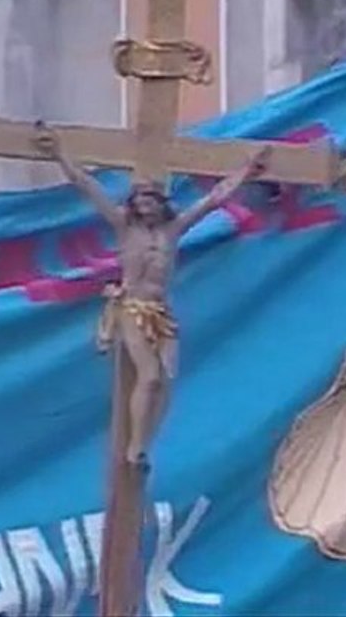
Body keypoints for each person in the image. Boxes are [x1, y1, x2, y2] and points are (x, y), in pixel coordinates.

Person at [33, 130, 270, 468]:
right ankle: (135, 448)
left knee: (165, 383)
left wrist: (245, 172)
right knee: (150, 376)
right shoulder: (124, 227)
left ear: (161, 204)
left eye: (151, 199)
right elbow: (86, 185)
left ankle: (145, 441)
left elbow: (214, 199)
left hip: (160, 311)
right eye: (140, 199)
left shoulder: (173, 230)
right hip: (133, 307)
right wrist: (59, 154)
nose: (145, 204)